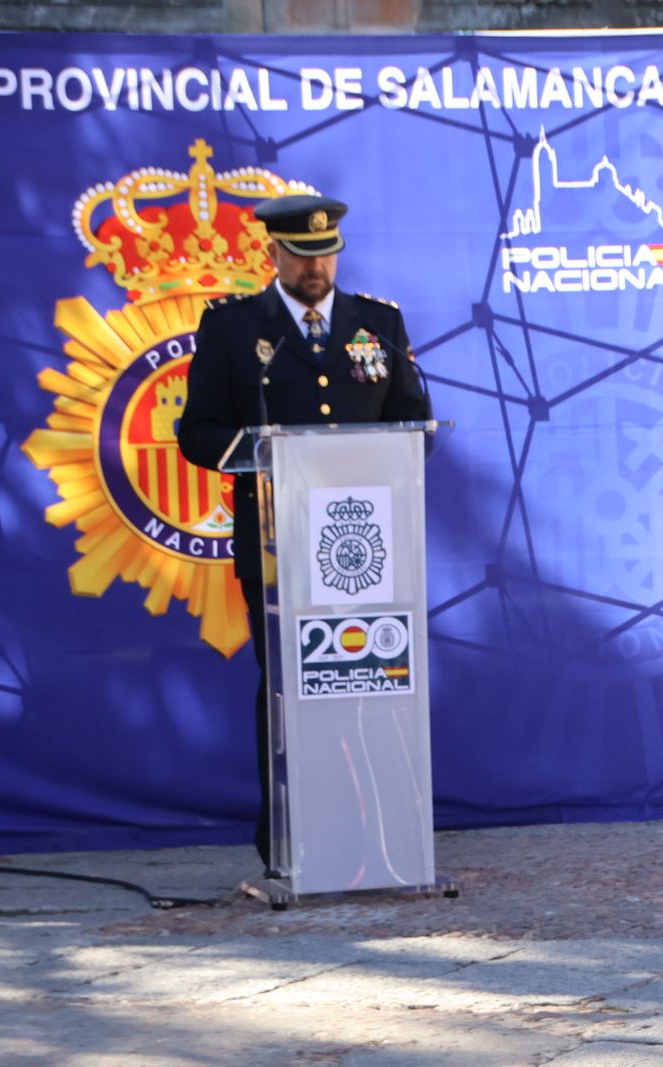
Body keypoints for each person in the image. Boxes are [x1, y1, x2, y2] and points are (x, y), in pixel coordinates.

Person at [178, 193, 430, 873]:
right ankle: (292, 842)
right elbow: (196, 432)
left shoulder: (376, 323)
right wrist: (269, 452)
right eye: (303, 256)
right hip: (279, 546)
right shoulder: (233, 329)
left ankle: (384, 838)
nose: (317, 270)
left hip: (369, 549)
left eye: (326, 255)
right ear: (275, 254)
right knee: (294, 692)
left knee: (372, 685)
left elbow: (415, 426)